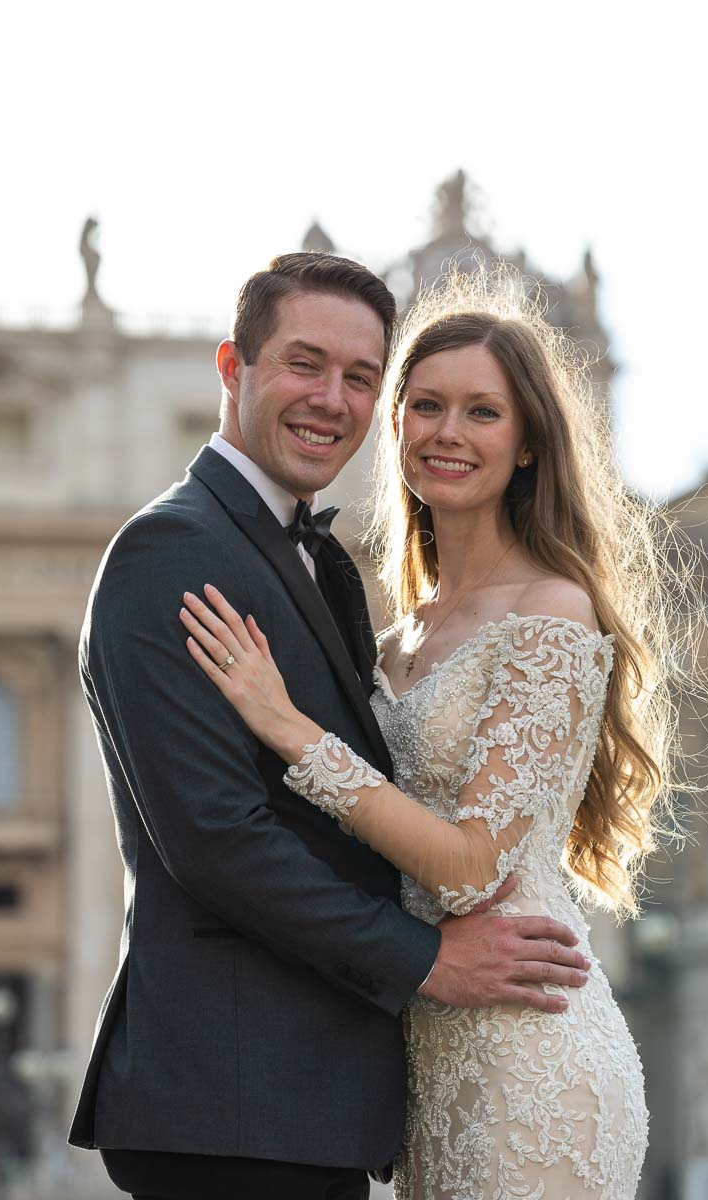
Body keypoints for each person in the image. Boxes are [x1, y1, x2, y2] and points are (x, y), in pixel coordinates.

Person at [177, 268, 708, 1198]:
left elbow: (471, 868)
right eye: (426, 405)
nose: (449, 433)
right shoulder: (392, 636)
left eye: (482, 413)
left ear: (530, 444)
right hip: (426, 1058)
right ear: (396, 424)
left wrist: (292, 733)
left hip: (533, 1052)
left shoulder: (554, 612)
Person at [67, 253, 591, 1200]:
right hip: (240, 1097)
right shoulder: (177, 548)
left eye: (360, 377)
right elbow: (218, 839)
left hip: (347, 1083)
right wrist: (427, 960)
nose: (332, 399)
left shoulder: (319, 563)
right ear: (234, 367)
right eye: (306, 364)